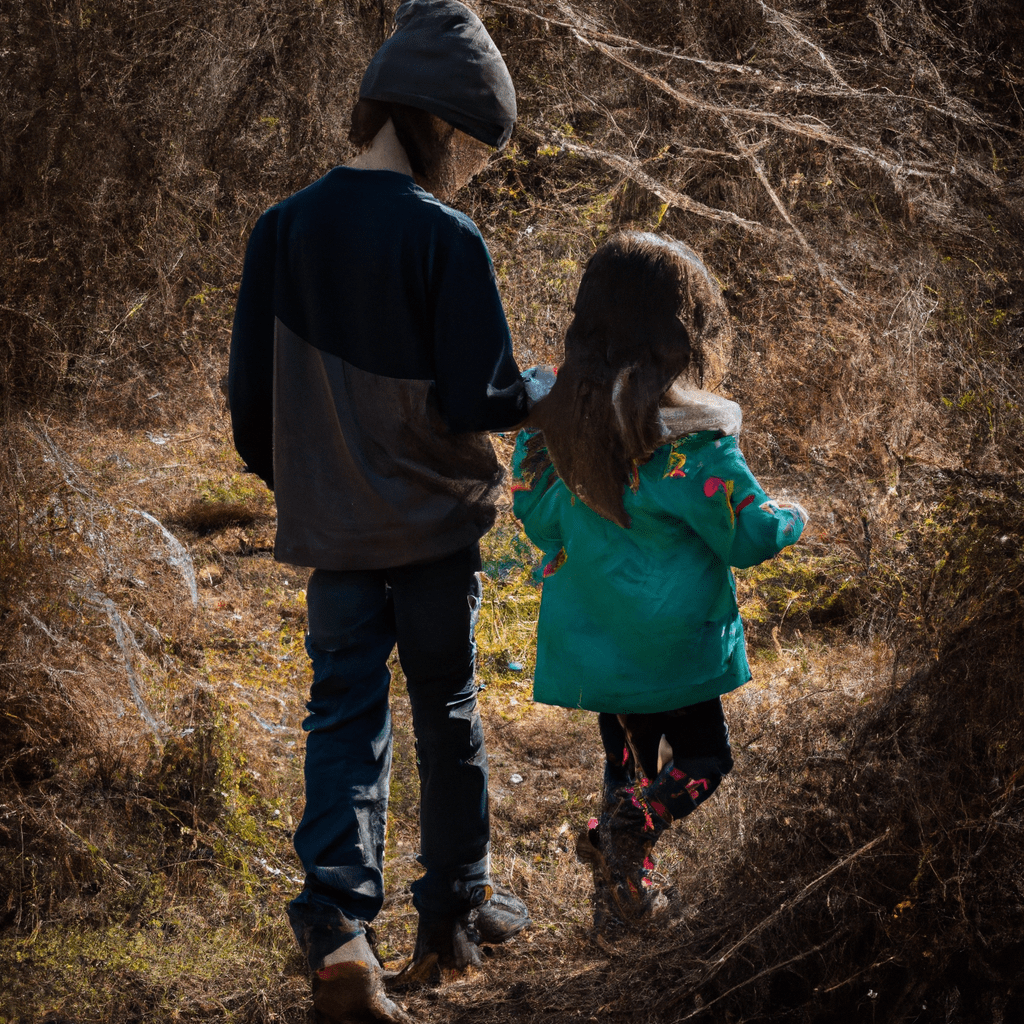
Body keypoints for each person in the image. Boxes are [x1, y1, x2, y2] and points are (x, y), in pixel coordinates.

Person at [229, 2, 532, 1019]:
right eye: (470, 146)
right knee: (444, 705)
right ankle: (452, 914)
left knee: (343, 714)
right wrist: (542, 384)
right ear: (435, 124)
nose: (469, 168)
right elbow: (479, 398)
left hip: (337, 537)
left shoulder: (280, 230)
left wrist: (314, 484)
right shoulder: (445, 238)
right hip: (439, 531)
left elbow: (248, 406)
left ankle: (338, 930)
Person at [511, 231, 808, 934]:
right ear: (681, 331)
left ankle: (624, 904)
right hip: (673, 647)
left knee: (627, 762)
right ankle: (628, 832)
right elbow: (750, 537)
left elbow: (537, 513)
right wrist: (796, 514)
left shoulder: (555, 423)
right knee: (704, 758)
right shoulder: (695, 439)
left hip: (594, 637)